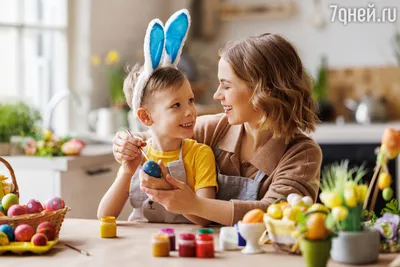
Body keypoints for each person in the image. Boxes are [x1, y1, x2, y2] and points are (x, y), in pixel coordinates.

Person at [113, 33, 322, 226]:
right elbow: (158, 137)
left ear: (264, 90)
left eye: (226, 86)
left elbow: (275, 212)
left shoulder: (302, 155)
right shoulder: (214, 129)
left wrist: (194, 205)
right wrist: (126, 143)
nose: (217, 95)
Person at [97, 9, 218, 226]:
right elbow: (105, 215)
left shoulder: (200, 155)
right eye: (176, 105)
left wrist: (167, 191)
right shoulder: (139, 156)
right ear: (146, 117)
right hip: (142, 245)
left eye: (190, 100)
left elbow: (206, 218)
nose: (190, 111)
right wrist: (127, 171)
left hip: (184, 245)